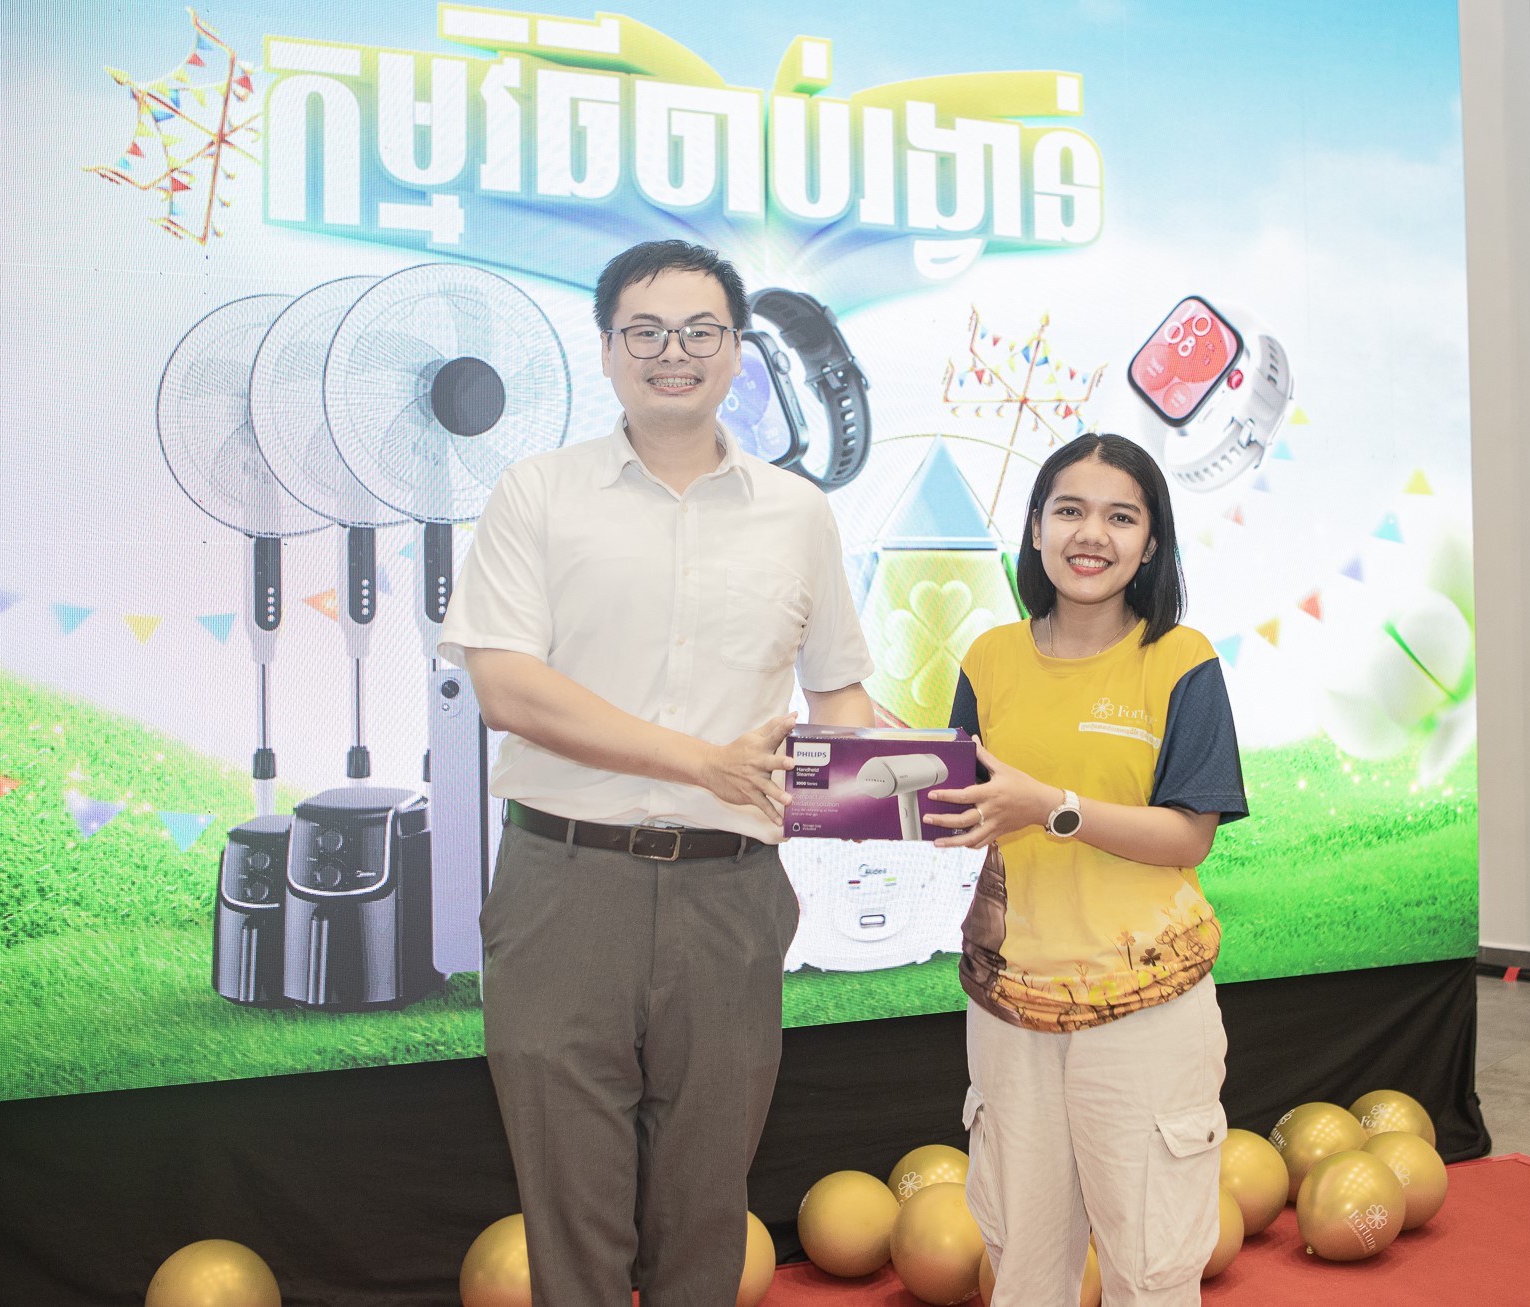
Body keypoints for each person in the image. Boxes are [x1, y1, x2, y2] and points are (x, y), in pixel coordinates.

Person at [437, 240, 875, 1304]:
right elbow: (509, 689)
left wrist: (903, 779)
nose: (672, 352)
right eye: (645, 330)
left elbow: (839, 697)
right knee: (571, 1206)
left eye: (700, 331)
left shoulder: (798, 513)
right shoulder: (537, 494)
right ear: (606, 349)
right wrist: (704, 762)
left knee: (705, 1204)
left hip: (730, 897)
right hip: (563, 889)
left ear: (737, 352)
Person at [925, 433, 1247, 1305]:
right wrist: (874, 781)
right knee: (1023, 1267)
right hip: (1010, 1010)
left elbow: (1189, 835)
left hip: (1146, 1008)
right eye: (1069, 510)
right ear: (1036, 528)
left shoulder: (1180, 659)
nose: (1091, 534)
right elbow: (967, 807)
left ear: (1151, 541)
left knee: (1152, 1269)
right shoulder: (989, 657)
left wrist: (1052, 806)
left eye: (1120, 516)